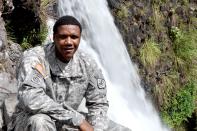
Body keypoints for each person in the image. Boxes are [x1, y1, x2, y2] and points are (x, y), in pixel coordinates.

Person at [8, 15, 131, 131]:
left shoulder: (87, 63)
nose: (69, 42)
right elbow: (32, 99)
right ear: (54, 37)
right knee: (40, 121)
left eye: (74, 37)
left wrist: (97, 128)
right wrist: (76, 119)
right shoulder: (35, 59)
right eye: (63, 37)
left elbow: (98, 103)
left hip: (68, 122)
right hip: (31, 119)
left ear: (80, 38)